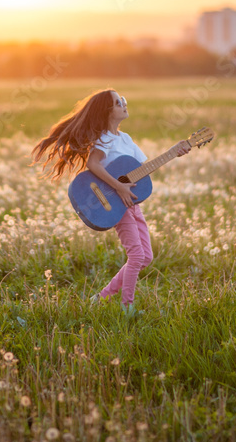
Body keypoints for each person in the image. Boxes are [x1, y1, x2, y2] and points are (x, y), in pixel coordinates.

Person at [31, 88, 191, 315]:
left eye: (123, 100)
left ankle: (101, 297)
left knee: (146, 256)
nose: (124, 104)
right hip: (114, 203)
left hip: (131, 203)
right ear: (107, 111)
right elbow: (93, 165)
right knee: (136, 255)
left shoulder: (125, 139)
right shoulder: (103, 139)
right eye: (118, 102)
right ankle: (127, 307)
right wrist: (119, 186)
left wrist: (175, 152)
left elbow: (140, 170)